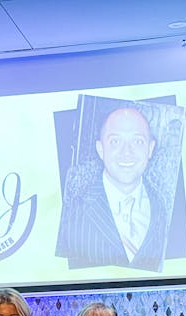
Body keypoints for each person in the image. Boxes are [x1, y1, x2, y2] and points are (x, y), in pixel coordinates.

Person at [55, 106, 170, 272]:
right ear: (100, 149)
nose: (127, 152)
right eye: (115, 141)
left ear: (150, 149)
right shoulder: (71, 213)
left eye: (137, 141)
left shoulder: (163, 209)